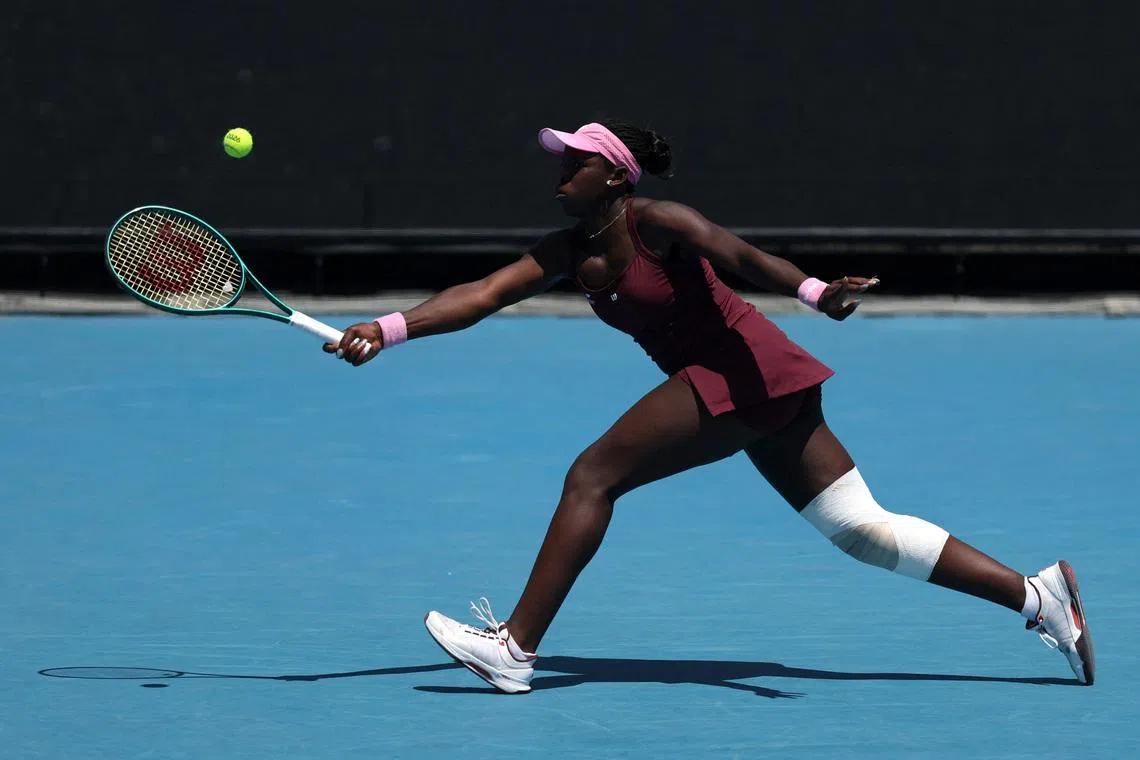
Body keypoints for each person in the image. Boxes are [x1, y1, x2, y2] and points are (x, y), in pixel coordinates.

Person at [323, 119, 1094, 692]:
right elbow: (482, 295)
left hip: (740, 367)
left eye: (576, 163)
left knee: (593, 475)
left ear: (618, 178)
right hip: (758, 380)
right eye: (560, 162)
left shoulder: (656, 222)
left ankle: (515, 648)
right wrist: (387, 331)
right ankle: (1038, 595)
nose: (559, 172)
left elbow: (740, 256)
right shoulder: (567, 250)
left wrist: (817, 292)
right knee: (862, 531)